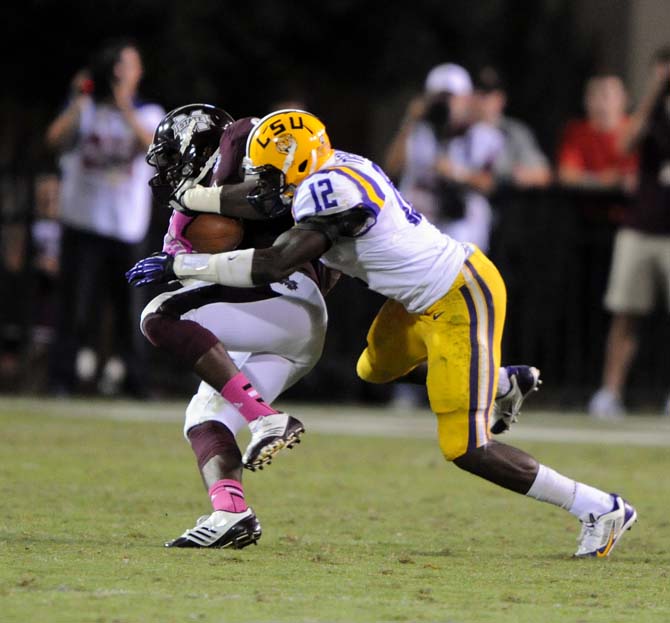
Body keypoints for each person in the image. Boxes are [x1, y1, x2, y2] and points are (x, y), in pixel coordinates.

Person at [128, 109, 636, 557]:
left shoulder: (331, 193)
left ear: (300, 167)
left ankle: (598, 506)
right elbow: (266, 198)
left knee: (467, 448)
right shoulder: (326, 163)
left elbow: (274, 263)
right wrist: (200, 192)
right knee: (372, 367)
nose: (261, 184)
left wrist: (193, 267)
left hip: (460, 294)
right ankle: (500, 382)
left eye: (270, 174)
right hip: (415, 302)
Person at [133, 103, 339, 548]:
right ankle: (232, 513)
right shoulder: (213, 185)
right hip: (284, 328)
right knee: (204, 417)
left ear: (197, 144)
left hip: (284, 298)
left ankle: (266, 419)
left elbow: (267, 200)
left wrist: (189, 237)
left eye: (172, 158)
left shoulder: (242, 144)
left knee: (160, 314)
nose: (168, 173)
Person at [45, 38, 164, 396]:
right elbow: (54, 140)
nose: (124, 74)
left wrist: (124, 106)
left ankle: (135, 381)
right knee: (73, 307)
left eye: (129, 67)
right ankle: (61, 379)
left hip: (126, 227)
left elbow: (154, 149)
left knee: (132, 312)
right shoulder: (87, 110)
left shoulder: (147, 112)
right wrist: (80, 97)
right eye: (120, 67)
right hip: (82, 222)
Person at [589, 49, 670, 418]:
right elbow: (624, 144)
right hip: (641, 226)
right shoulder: (649, 111)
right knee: (625, 313)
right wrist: (656, 90)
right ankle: (609, 392)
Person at [385, 63, 502, 253]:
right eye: (440, 98)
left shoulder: (481, 134)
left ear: (466, 98)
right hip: (418, 220)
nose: (445, 104)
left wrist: (456, 173)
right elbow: (392, 167)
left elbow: (489, 183)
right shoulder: (418, 130)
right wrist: (409, 120)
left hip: (459, 224)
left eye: (451, 98)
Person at [474, 66, 551, 190]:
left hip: (505, 202)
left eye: (490, 94)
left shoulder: (515, 132)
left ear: (501, 99)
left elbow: (543, 175)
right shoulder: (461, 130)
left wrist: (515, 177)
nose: (484, 100)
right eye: (479, 93)